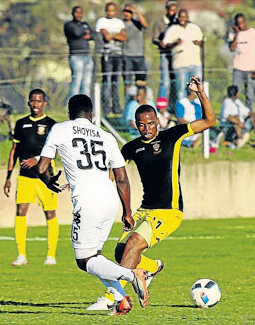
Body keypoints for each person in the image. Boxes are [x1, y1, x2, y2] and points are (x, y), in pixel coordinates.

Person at [86, 76, 215, 311]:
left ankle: (114, 297)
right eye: (142, 124)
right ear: (136, 124)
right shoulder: (131, 148)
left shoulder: (172, 136)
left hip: (168, 210)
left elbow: (209, 120)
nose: (147, 129)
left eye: (151, 123)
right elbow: (112, 175)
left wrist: (200, 93)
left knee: (133, 244)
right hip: (145, 209)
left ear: (158, 121)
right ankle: (150, 268)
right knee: (120, 252)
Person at [36, 94, 149, 315]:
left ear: (70, 114)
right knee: (94, 255)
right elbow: (122, 178)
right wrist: (127, 211)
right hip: (110, 199)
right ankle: (120, 299)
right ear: (91, 114)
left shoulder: (60, 129)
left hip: (87, 201)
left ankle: (132, 275)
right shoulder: (107, 136)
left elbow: (42, 167)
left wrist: (49, 182)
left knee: (84, 260)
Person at [3, 89, 59, 266]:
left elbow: (57, 150)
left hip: (46, 177)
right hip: (25, 177)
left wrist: (37, 160)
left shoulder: (52, 125)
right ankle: (21, 255)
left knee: (50, 213)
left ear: (45, 103)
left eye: (39, 101)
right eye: (32, 101)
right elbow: (14, 151)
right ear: (28, 103)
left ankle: (51, 255)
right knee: (20, 212)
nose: (35, 104)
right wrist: (8, 177)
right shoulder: (21, 124)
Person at [162, 9, 203, 100]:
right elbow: (165, 44)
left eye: (184, 17)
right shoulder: (173, 29)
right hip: (180, 64)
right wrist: (175, 43)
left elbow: (202, 41)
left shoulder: (194, 28)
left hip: (195, 63)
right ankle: (182, 110)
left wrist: (199, 43)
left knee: (197, 88)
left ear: (188, 17)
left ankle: (198, 109)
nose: (182, 19)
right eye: (180, 17)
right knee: (181, 89)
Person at [220, 85, 255, 149]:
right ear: (236, 93)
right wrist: (239, 123)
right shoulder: (227, 102)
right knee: (236, 121)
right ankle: (239, 140)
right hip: (229, 128)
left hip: (241, 126)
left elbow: (247, 112)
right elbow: (229, 117)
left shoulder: (237, 102)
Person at [96, 2, 127, 116]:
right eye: (109, 10)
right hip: (107, 55)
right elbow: (107, 37)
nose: (111, 13)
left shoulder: (119, 22)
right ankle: (105, 108)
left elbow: (124, 37)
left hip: (118, 55)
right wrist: (116, 35)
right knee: (107, 81)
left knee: (116, 82)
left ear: (116, 11)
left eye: (113, 10)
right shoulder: (102, 21)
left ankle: (116, 107)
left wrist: (112, 35)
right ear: (106, 11)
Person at [228, 13, 255, 112]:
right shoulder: (233, 34)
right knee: (235, 93)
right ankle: (236, 114)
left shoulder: (254, 33)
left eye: (242, 23)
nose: (240, 25)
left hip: (251, 69)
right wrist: (237, 34)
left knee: (250, 95)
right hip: (237, 68)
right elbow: (232, 48)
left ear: (245, 21)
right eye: (238, 23)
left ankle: (250, 115)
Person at [64, 6, 94, 99]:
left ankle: (85, 106)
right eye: (77, 12)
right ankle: (73, 106)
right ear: (72, 13)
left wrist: (86, 33)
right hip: (76, 56)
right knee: (77, 81)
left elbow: (94, 34)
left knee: (86, 83)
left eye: (80, 13)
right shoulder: (69, 25)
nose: (79, 15)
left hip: (87, 56)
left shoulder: (85, 24)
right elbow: (76, 33)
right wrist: (85, 32)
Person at [152, 1, 178, 99]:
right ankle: (161, 105)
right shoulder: (160, 23)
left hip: (177, 55)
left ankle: (173, 104)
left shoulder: (177, 22)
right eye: (172, 11)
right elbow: (154, 39)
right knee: (165, 82)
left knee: (176, 81)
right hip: (165, 55)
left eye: (175, 11)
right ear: (166, 10)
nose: (174, 13)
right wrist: (160, 43)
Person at [122, 4, 149, 91]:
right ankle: (128, 102)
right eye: (125, 11)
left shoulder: (138, 23)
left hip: (139, 56)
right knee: (127, 82)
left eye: (129, 12)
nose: (127, 14)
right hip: (126, 56)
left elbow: (146, 25)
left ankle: (141, 100)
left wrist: (137, 13)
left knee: (141, 82)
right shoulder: (121, 24)